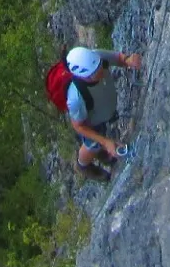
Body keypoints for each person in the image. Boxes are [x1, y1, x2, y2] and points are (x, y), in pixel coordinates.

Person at [61, 46, 142, 176]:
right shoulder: (76, 98)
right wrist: (104, 141)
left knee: (99, 144)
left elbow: (118, 58)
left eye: (100, 66)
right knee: (92, 145)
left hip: (103, 111)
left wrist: (128, 60)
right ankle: (83, 165)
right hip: (91, 123)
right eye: (95, 72)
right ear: (84, 77)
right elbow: (79, 126)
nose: (101, 71)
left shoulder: (97, 57)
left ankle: (103, 155)